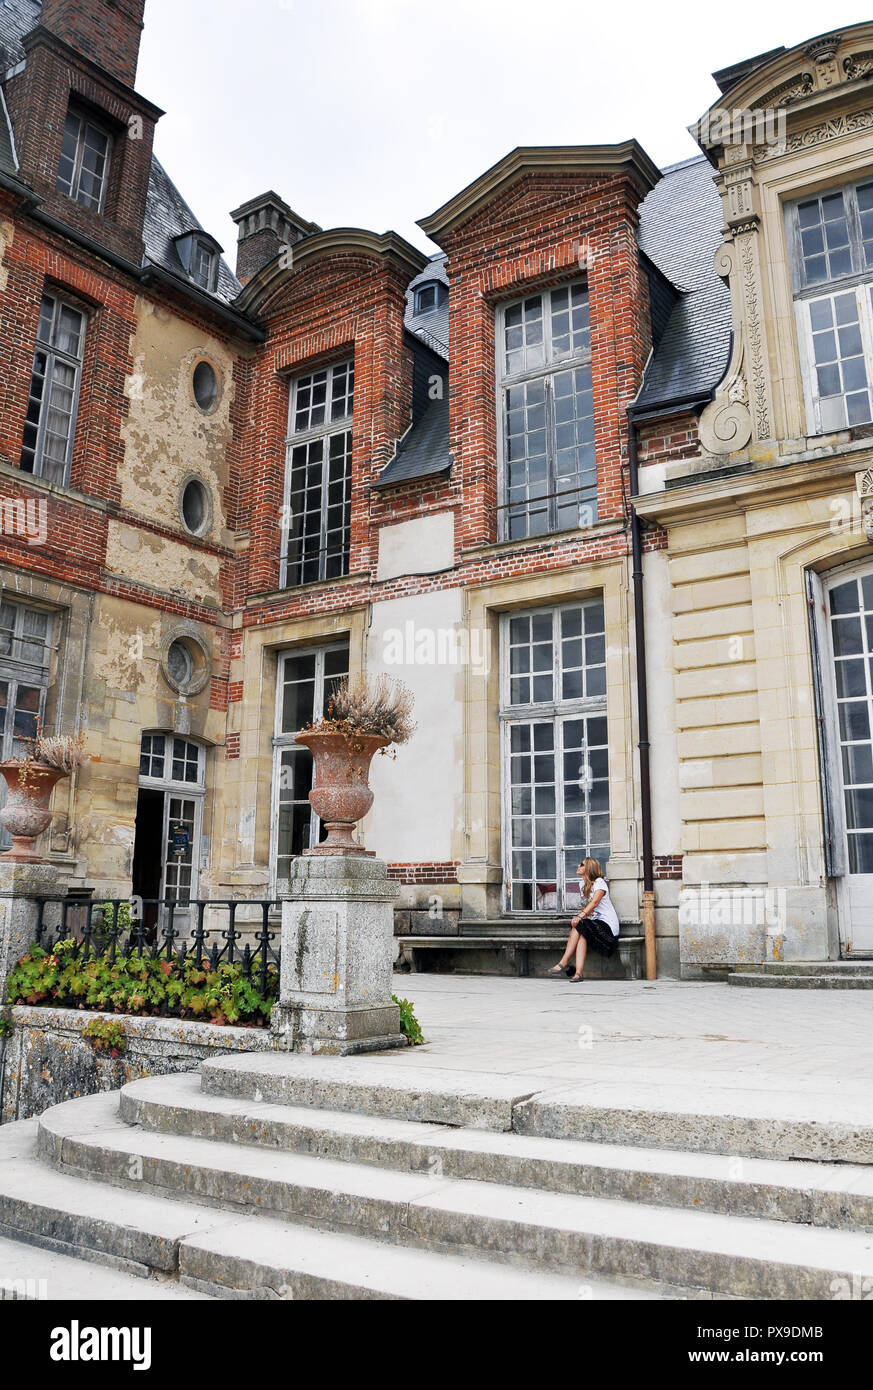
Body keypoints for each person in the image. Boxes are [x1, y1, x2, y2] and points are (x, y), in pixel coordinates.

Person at [544, 857, 620, 981]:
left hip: (608, 929)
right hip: (596, 924)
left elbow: (594, 902)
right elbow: (586, 906)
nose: (578, 866)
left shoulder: (599, 882)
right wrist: (581, 918)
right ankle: (578, 974)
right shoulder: (582, 884)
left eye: (582, 864)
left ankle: (563, 963)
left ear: (589, 868)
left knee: (580, 925)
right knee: (582, 932)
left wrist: (580, 916)